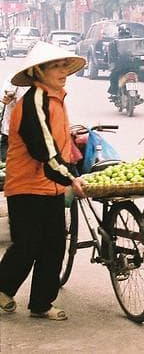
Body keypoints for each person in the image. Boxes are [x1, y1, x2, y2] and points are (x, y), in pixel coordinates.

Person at [0, 42, 87, 321]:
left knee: (54, 245)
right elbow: (43, 150)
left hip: (50, 186)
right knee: (28, 245)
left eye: (64, 65)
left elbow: (59, 144)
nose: (63, 71)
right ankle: (2, 289)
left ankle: (40, 304)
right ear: (38, 71)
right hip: (26, 186)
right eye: (55, 66)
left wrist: (70, 169)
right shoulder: (35, 101)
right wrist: (70, 178)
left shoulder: (57, 98)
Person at [0, 76, 28, 162]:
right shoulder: (12, 78)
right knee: (6, 163)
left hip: (28, 134)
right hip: (10, 132)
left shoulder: (38, 82)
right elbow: (4, 97)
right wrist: (8, 96)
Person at [107, 23, 134, 101]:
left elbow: (110, 54)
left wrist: (109, 62)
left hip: (119, 68)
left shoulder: (114, 42)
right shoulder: (134, 41)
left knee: (113, 77)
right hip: (133, 67)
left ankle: (114, 93)